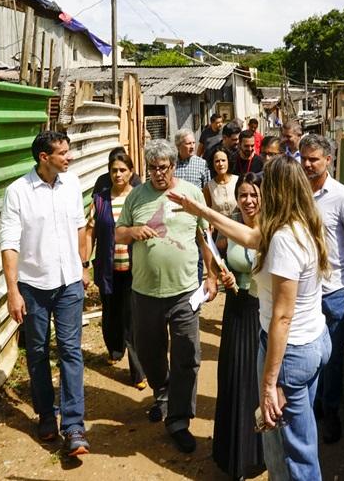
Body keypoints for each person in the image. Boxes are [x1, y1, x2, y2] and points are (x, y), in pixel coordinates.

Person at [167, 155, 332, 480]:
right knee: (294, 438)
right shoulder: (301, 226)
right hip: (314, 342)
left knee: (295, 453)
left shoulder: (284, 239)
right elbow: (249, 237)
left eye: (266, 187)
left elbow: (282, 318)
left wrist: (269, 384)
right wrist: (201, 211)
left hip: (290, 354)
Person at [115, 139, 218, 454]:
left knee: (187, 354)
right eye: (153, 168)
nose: (158, 174)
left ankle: (178, 420)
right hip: (144, 292)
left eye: (164, 167)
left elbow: (206, 237)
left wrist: (212, 275)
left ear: (174, 166)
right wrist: (133, 232)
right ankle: (163, 393)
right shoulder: (136, 196)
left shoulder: (191, 193)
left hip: (185, 291)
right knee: (149, 352)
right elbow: (118, 233)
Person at [0, 130, 91, 456]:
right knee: (37, 353)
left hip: (68, 284)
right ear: (44, 158)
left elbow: (81, 226)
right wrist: (13, 292)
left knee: (70, 351)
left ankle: (74, 426)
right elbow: (9, 245)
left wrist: (83, 265)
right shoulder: (18, 193)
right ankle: (46, 416)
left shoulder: (73, 184)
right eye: (63, 153)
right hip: (33, 286)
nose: (69, 157)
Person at [299, 134, 344, 444]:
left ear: (329, 160)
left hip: (336, 293)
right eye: (304, 158)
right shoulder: (297, 193)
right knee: (308, 354)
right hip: (305, 292)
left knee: (333, 357)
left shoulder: (342, 197)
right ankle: (311, 408)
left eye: (314, 159)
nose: (307, 164)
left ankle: (330, 412)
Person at [212, 173, 267, 480]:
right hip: (235, 309)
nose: (248, 201)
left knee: (255, 382)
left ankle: (256, 455)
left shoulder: (272, 230)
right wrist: (224, 277)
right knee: (233, 378)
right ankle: (232, 455)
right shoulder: (232, 229)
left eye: (253, 195)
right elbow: (220, 258)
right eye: (243, 195)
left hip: (260, 312)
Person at [85, 152, 147, 390]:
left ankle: (138, 372)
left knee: (132, 320)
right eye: (114, 170)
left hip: (135, 269)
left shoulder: (139, 198)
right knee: (111, 314)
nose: (118, 174)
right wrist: (85, 263)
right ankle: (114, 348)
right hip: (107, 268)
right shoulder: (100, 200)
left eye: (122, 170)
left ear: (131, 172)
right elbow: (91, 233)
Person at [173, 127, 211, 284]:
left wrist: (208, 218)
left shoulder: (202, 164)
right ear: (178, 145)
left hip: (196, 219)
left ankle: (196, 288)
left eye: (193, 143)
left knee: (198, 254)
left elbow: (207, 193)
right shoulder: (171, 164)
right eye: (188, 143)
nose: (192, 146)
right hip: (175, 218)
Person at [204, 150, 238, 217]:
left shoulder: (237, 181)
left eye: (223, 160)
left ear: (228, 161)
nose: (220, 164)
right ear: (212, 164)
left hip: (239, 225)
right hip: (218, 226)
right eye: (217, 161)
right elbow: (207, 211)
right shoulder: (208, 187)